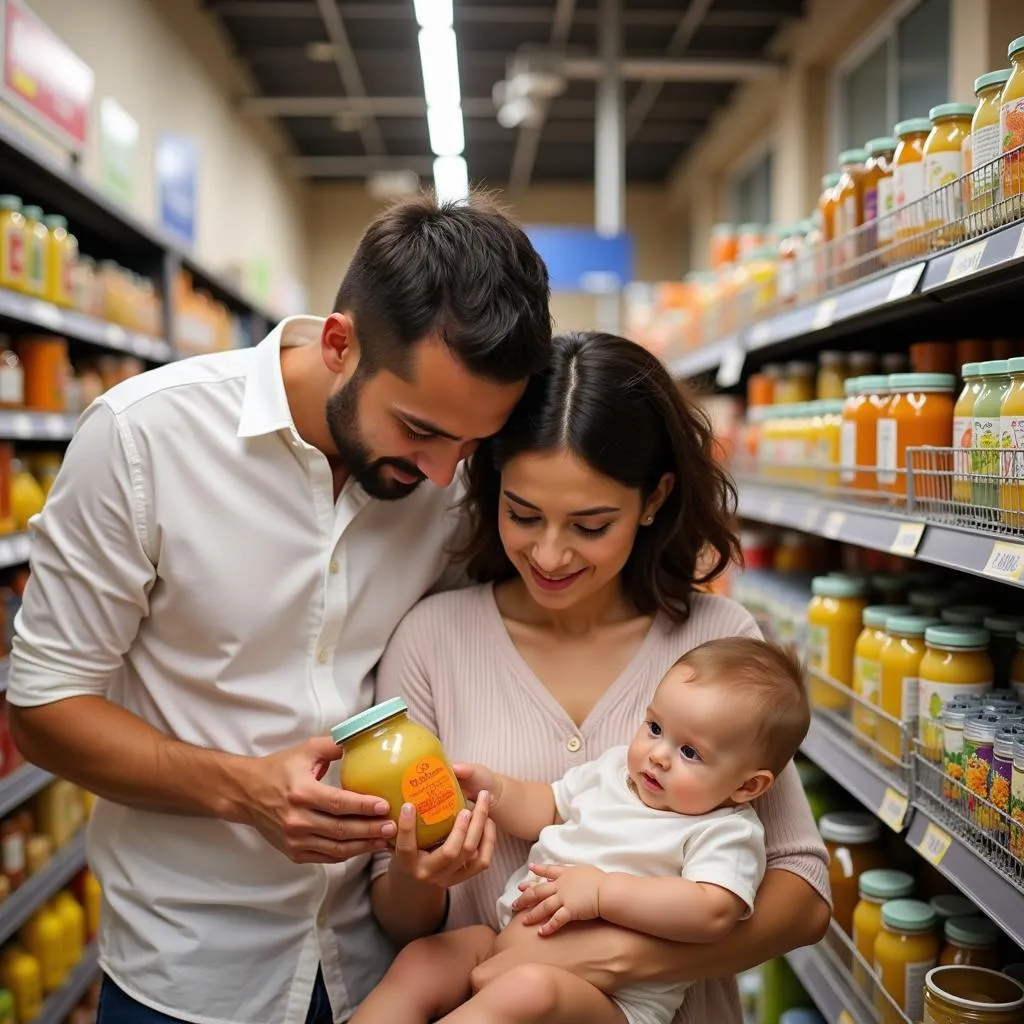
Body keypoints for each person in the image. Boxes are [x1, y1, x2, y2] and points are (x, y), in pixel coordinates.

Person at [4, 194, 552, 1024]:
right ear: (339, 345)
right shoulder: (143, 440)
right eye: (419, 430)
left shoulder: (452, 482)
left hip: (385, 965)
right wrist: (242, 789)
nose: (445, 477)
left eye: (471, 445)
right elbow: (43, 707)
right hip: (190, 969)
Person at [365, 331, 831, 1024]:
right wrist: (418, 870)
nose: (549, 554)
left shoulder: (718, 642)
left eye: (590, 524)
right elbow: (403, 922)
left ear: (653, 499)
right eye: (523, 514)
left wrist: (614, 958)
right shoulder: (433, 639)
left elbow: (803, 896)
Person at [353, 637, 811, 1024]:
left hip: (614, 999)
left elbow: (713, 912)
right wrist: (495, 789)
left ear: (748, 785)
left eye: (690, 752)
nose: (658, 755)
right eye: (654, 727)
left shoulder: (723, 832)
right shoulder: (614, 773)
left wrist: (602, 894)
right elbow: (548, 804)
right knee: (423, 960)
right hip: (503, 937)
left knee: (526, 991)